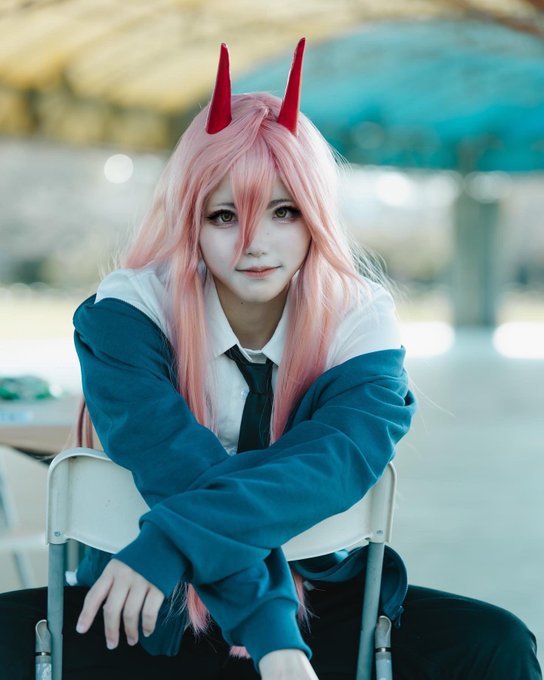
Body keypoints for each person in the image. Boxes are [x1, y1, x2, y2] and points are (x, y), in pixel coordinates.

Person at [0, 39, 540, 680]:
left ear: (316, 219)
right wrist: (273, 640)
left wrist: (169, 541)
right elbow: (173, 464)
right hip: (144, 612)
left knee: (496, 644)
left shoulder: (359, 321)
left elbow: (326, 467)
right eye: (225, 215)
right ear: (190, 221)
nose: (254, 243)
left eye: (284, 212)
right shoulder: (126, 315)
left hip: (317, 606)